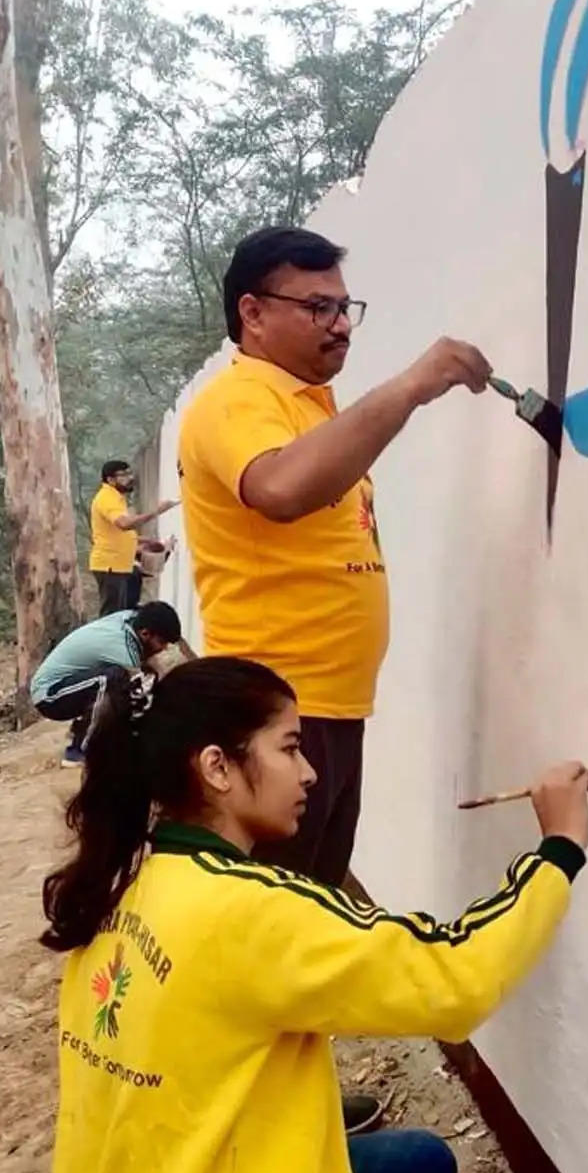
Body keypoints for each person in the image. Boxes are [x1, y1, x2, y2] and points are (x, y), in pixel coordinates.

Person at [43, 655, 588, 1173]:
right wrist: (560, 847)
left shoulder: (125, 883)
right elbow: (456, 978)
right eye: (291, 748)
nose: (309, 773)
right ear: (218, 766)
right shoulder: (249, 911)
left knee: (419, 1167)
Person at [175, 225, 493, 890]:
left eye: (345, 307)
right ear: (253, 313)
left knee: (307, 895)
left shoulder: (308, 410)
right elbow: (281, 488)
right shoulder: (239, 400)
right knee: (275, 925)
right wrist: (410, 387)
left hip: (328, 708)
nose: (341, 324)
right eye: (317, 307)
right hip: (276, 709)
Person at [28, 601, 193, 765]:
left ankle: (83, 730)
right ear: (145, 634)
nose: (163, 649)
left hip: (69, 684)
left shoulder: (131, 619)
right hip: (50, 696)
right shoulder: (123, 649)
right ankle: (80, 750)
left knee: (122, 684)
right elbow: (141, 700)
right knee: (114, 681)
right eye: (162, 642)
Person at [89, 460, 178, 616]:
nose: (130, 478)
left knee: (123, 613)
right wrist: (157, 511)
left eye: (129, 473)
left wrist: (145, 541)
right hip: (110, 566)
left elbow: (117, 533)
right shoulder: (107, 498)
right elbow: (124, 524)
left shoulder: (117, 498)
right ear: (110, 480)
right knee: (112, 617)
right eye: (123, 475)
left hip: (120, 565)